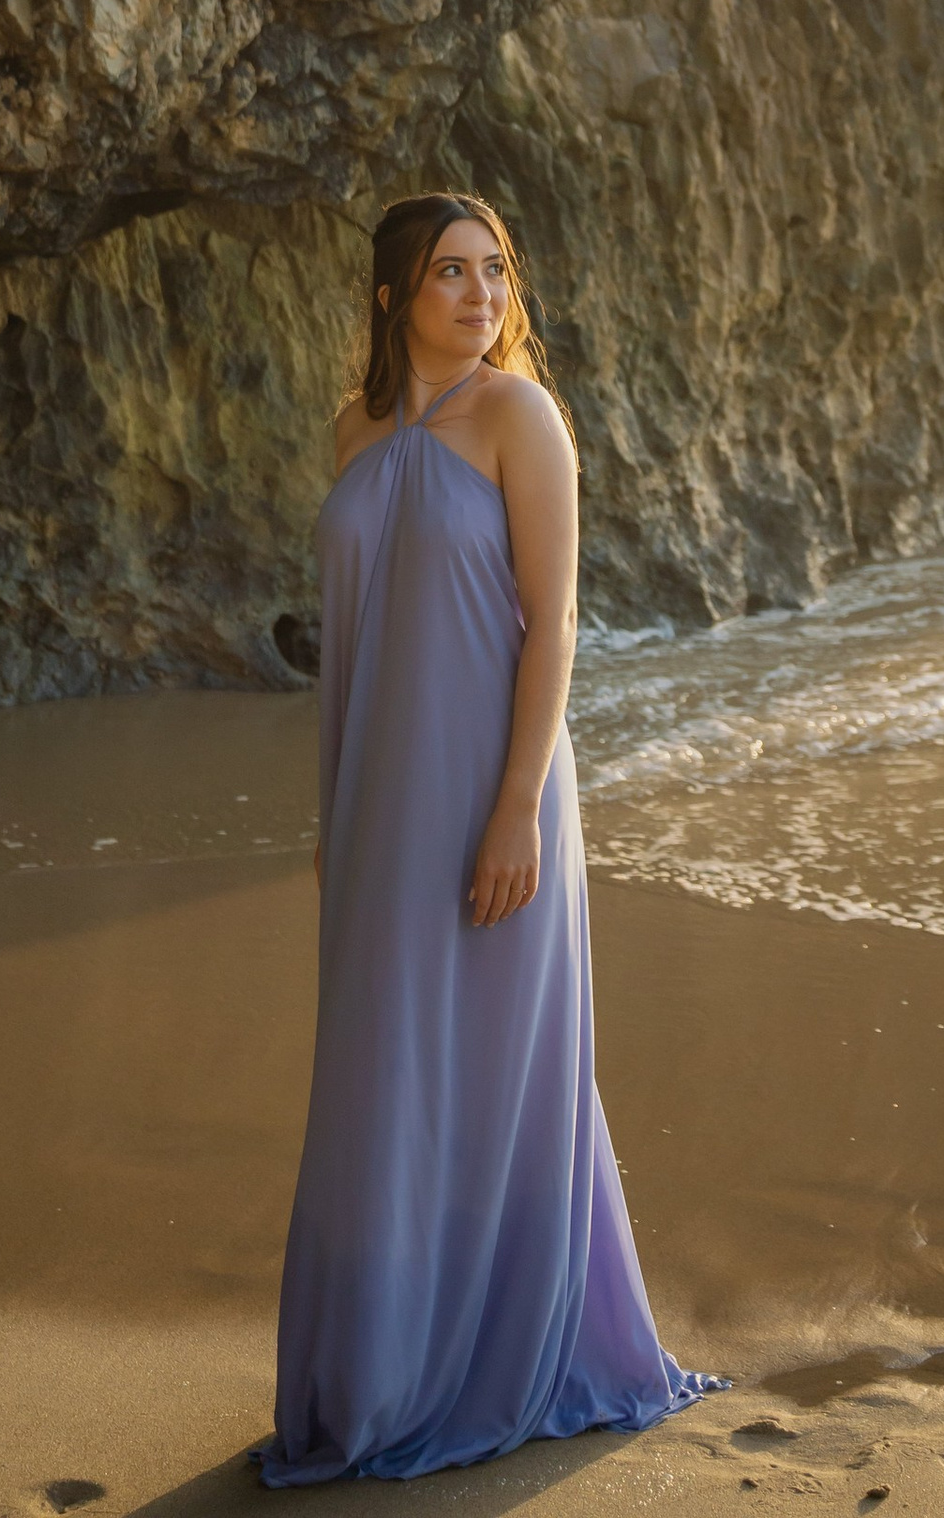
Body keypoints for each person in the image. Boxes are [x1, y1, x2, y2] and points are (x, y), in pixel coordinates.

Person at [262, 190, 721, 1484]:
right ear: (391, 293)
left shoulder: (522, 417)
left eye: (497, 270)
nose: (480, 295)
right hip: (375, 800)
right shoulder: (354, 430)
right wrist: (330, 810)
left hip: (491, 788)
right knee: (379, 1078)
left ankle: (489, 1353)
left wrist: (518, 800)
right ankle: (376, 1366)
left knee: (490, 1072)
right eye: (451, 272)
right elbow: (347, 647)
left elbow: (555, 622)